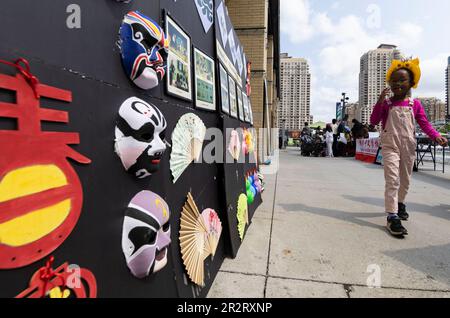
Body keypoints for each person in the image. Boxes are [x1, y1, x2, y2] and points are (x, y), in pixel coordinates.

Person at [370, 58, 448, 237]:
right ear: (389, 82)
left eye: (402, 80)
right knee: (392, 180)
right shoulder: (387, 104)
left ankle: (401, 202)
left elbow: (425, 124)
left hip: (408, 145)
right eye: (394, 80)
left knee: (405, 180)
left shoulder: (415, 104)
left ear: (411, 83)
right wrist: (380, 101)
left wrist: (436, 136)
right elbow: (374, 121)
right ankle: (392, 215)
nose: (397, 83)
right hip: (390, 145)